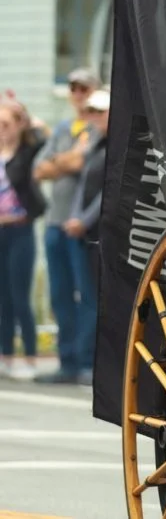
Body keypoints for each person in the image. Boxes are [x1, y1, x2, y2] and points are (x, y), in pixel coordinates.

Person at [32, 67, 100, 384]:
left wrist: (61, 162)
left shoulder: (99, 129)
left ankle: (86, 360)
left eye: (83, 88)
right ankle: (67, 360)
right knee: (59, 295)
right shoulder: (63, 128)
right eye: (72, 88)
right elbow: (39, 170)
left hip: (82, 226)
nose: (77, 94)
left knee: (85, 294)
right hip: (55, 223)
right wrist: (67, 160)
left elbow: (77, 163)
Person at [60, 89, 110, 386]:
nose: (93, 118)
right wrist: (75, 216)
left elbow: (108, 190)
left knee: (94, 298)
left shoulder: (115, 147)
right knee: (85, 296)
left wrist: (84, 219)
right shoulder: (94, 146)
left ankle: (90, 360)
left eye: (99, 112)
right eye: (90, 112)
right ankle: (80, 359)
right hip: (84, 231)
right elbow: (84, 187)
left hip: (100, 234)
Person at [0, 99, 47, 381]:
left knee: (20, 297)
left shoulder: (26, 152)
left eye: (6, 124)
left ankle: (30, 358)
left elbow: (44, 135)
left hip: (21, 230)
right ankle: (5, 355)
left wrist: (23, 114)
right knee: (2, 298)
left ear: (17, 126)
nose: (1, 130)